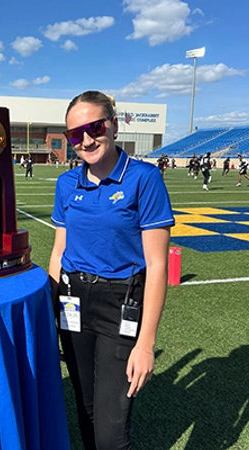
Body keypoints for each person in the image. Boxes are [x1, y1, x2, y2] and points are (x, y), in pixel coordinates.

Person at [49, 91, 174, 450]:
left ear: (114, 126)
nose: (86, 139)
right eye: (75, 134)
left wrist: (146, 345)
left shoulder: (144, 179)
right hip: (72, 302)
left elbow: (158, 265)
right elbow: (59, 252)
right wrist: (49, 311)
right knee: (85, 409)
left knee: (111, 431)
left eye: (95, 127)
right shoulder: (66, 184)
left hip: (120, 304)